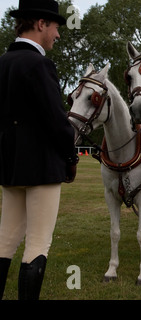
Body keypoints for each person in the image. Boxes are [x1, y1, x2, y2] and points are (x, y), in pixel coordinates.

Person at [0, 0, 78, 300]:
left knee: (5, 242)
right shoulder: (39, 64)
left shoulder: (3, 62)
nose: (58, 35)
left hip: (10, 166)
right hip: (42, 168)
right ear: (41, 24)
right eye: (56, 27)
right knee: (37, 244)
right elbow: (57, 122)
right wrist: (71, 158)